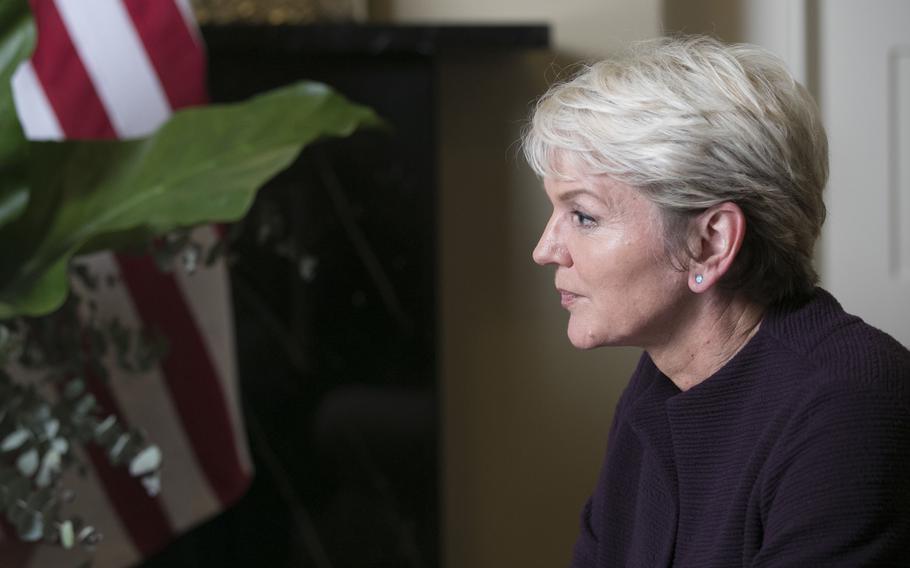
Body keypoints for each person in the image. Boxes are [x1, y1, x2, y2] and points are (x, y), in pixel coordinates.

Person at [523, 35, 910, 566]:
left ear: (710, 243)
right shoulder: (659, 384)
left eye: (584, 216)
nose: (545, 250)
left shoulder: (850, 406)